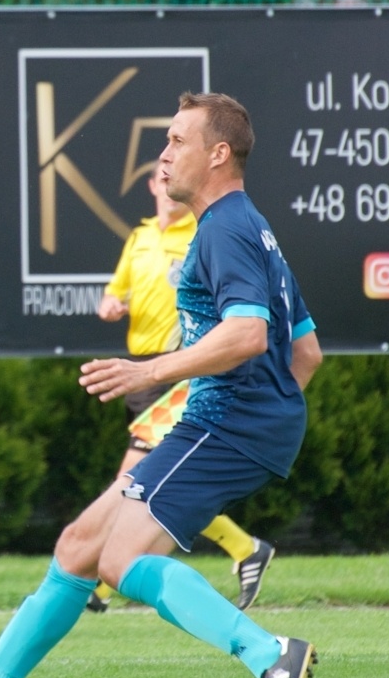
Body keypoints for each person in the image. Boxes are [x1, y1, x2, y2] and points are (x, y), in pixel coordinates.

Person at [0, 92, 323, 678]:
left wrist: (155, 373)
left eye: (178, 140)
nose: (165, 152)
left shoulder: (225, 230)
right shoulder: (246, 224)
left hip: (225, 422)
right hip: (233, 420)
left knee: (120, 563)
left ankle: (267, 654)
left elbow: (249, 336)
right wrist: (272, 409)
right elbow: (307, 351)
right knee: (80, 545)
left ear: (219, 153)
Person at [88, 165, 274, 613]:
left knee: (130, 478)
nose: (169, 187)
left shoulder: (204, 234)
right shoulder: (140, 238)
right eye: (160, 178)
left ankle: (102, 584)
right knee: (159, 485)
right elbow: (116, 294)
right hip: (141, 371)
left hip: (177, 371)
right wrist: (112, 305)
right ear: (153, 187)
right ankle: (246, 548)